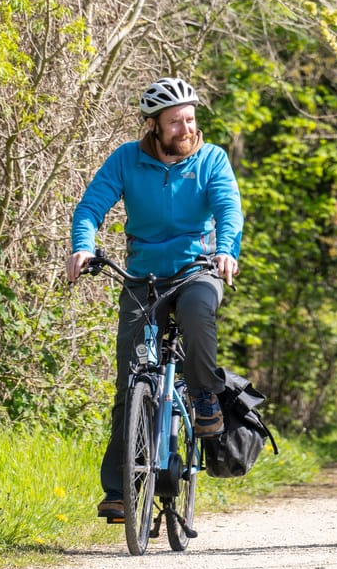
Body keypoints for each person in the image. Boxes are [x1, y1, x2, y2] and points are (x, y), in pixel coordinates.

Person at [66, 76, 243, 524]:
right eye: (174, 122)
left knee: (200, 310)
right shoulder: (127, 160)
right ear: (154, 126)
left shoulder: (211, 160)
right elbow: (90, 206)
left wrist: (226, 249)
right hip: (142, 277)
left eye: (189, 119)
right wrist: (82, 246)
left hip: (196, 269)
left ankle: (204, 397)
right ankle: (120, 492)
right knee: (131, 382)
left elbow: (227, 208)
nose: (185, 129)